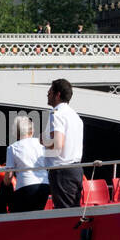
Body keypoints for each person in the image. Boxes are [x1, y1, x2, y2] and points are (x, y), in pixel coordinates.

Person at [43, 78, 83, 209]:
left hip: (62, 171)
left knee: (65, 213)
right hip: (76, 169)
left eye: (49, 92)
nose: (47, 95)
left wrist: (42, 140)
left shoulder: (57, 114)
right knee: (74, 211)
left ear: (57, 94)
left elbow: (57, 145)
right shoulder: (75, 116)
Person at [0, 116, 48, 213]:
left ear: (17, 134)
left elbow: (9, 176)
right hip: (44, 187)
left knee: (5, 186)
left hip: (25, 187)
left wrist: (5, 187)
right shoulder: (41, 144)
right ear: (31, 131)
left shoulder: (12, 148)